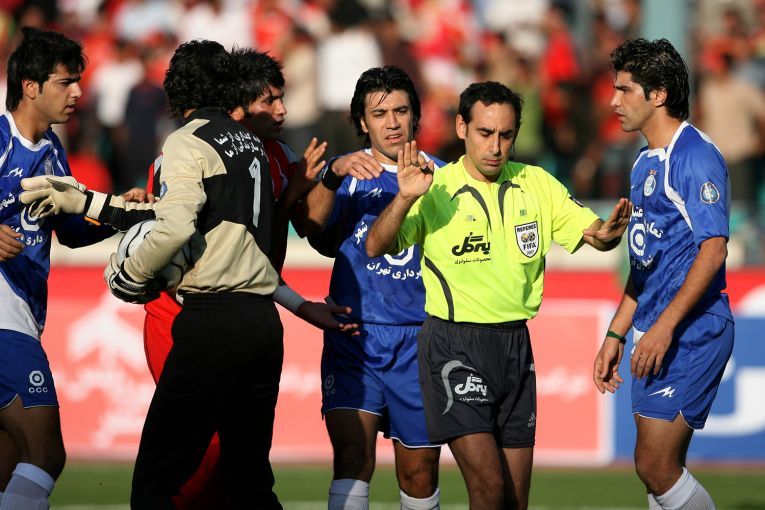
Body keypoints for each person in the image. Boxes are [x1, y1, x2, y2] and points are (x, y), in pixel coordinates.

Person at [365, 81, 631, 510]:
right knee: (488, 490)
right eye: (485, 133)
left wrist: (607, 234)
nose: (495, 146)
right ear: (461, 128)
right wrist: (404, 198)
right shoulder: (435, 186)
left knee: (514, 501)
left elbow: (593, 234)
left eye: (506, 135)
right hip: (453, 347)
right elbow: (375, 245)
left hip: (514, 347)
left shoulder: (536, 183)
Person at [592, 38, 734, 510]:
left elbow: (713, 250)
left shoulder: (694, 155)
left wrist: (664, 327)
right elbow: (644, 264)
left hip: (692, 330)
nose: (613, 101)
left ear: (658, 95)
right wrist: (617, 332)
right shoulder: (644, 163)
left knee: (653, 465)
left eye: (625, 89)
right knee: (659, 474)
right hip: (655, 331)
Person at [292, 66, 443, 510]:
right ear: (362, 121)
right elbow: (310, 227)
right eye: (379, 114)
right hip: (354, 336)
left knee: (419, 473)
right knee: (352, 458)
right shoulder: (348, 173)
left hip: (420, 340)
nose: (392, 123)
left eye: (401, 111)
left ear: (416, 116)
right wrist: (332, 175)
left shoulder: (445, 176)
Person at [0, 27, 116, 509]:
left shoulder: (51, 149)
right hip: (3, 318)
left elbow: (69, 231)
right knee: (46, 454)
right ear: (30, 86)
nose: (77, 92)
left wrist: (120, 213)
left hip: (24, 314)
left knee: (9, 465)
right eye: (66, 82)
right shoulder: (1, 139)